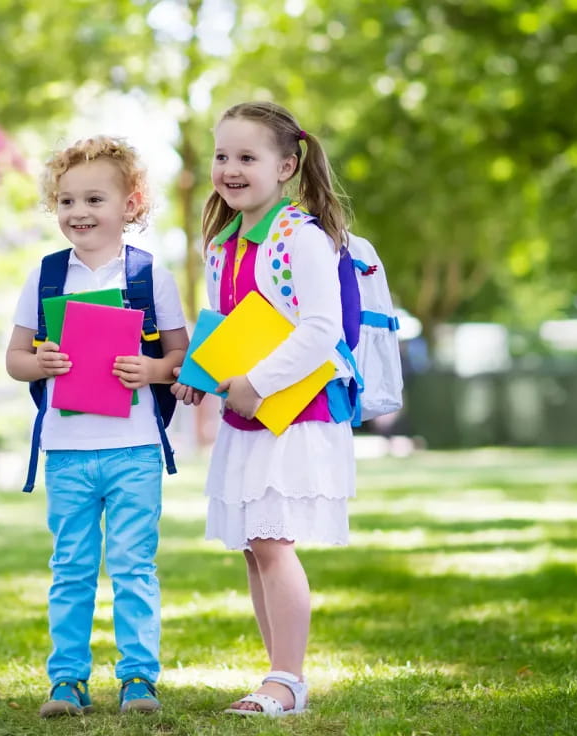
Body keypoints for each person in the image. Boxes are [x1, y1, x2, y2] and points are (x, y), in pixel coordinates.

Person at [172, 101, 356, 717]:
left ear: (286, 166)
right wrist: (202, 372)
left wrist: (255, 379)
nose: (229, 168)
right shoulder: (225, 242)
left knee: (273, 542)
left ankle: (286, 680)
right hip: (246, 413)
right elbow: (228, 323)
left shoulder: (300, 236)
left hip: (293, 414)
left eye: (246, 157)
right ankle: (279, 677)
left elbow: (322, 328)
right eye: (221, 156)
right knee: (256, 543)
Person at [6, 136, 188, 717]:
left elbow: (183, 363)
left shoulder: (149, 276)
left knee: (134, 566)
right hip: (66, 451)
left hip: (133, 449)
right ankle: (67, 680)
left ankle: (139, 678)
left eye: (93, 199)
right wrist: (43, 363)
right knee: (72, 568)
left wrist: (151, 368)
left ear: (131, 204)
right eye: (65, 201)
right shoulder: (46, 276)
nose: (78, 213)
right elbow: (15, 360)